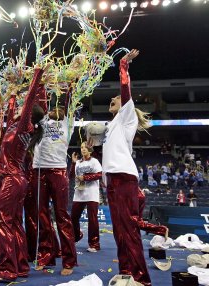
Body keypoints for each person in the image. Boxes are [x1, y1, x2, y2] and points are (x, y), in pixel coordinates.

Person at [0, 66, 46, 283]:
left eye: (23, 107)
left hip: (11, 179)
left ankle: (8, 269)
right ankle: (20, 265)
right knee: (14, 223)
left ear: (29, 114)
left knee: (3, 222)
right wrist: (12, 93)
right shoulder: (14, 126)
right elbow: (13, 110)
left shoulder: (25, 127)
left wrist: (37, 75)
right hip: (12, 178)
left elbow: (30, 99)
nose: (20, 108)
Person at [100, 49, 152, 285]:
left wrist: (123, 66)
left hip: (124, 178)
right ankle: (127, 273)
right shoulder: (112, 126)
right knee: (120, 233)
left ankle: (141, 278)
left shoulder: (126, 117)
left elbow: (125, 90)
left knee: (129, 231)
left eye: (116, 99)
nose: (113, 99)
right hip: (112, 180)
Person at [30, 88, 77, 275]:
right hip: (38, 170)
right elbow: (39, 101)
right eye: (52, 108)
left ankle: (69, 261)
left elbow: (70, 102)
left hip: (58, 170)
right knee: (42, 217)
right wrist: (44, 81)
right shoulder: (42, 122)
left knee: (62, 216)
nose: (56, 110)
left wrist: (70, 85)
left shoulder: (67, 123)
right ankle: (45, 256)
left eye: (60, 109)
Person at [70, 142, 102, 253]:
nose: (83, 149)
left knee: (92, 220)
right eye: (82, 147)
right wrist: (73, 163)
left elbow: (99, 174)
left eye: (85, 147)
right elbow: (70, 175)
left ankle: (94, 244)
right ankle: (77, 236)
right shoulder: (78, 162)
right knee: (73, 217)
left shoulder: (94, 161)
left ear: (90, 149)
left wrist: (85, 177)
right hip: (78, 193)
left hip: (91, 194)